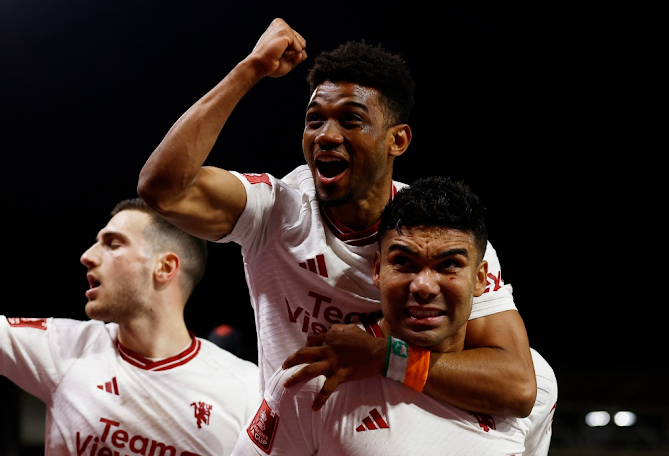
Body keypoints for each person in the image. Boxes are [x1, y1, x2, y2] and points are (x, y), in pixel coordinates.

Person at [137, 17, 537, 416]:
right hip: (294, 433)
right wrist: (251, 68)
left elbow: (517, 385)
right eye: (315, 120)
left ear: (397, 140)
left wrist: (386, 357)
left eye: (351, 119)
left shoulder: (439, 233)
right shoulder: (276, 210)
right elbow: (163, 189)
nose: (326, 135)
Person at [231, 176, 557, 456]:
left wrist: (390, 358)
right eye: (404, 262)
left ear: (481, 279)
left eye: (449, 265)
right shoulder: (314, 379)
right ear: (377, 270)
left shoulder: (538, 382)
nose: (424, 286)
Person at [0, 197, 261, 456]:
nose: (87, 256)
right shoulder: (64, 347)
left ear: (164, 267)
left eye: (112, 244)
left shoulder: (247, 391)